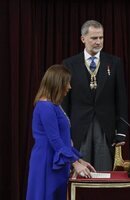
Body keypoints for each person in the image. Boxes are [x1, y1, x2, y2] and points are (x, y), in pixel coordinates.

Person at [62, 20, 128, 171]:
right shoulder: (69, 64)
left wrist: (122, 130)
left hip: (105, 127)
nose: (98, 42)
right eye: (94, 38)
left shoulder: (114, 62)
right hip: (78, 128)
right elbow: (65, 101)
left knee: (103, 172)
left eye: (101, 38)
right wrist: (65, 132)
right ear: (83, 39)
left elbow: (121, 99)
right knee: (82, 173)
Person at [26, 65, 96, 200]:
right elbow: (55, 140)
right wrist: (75, 164)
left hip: (56, 161)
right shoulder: (46, 107)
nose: (69, 87)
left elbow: (64, 139)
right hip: (46, 163)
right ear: (57, 84)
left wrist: (79, 160)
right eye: (67, 83)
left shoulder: (54, 105)